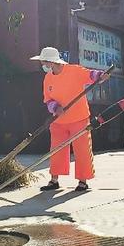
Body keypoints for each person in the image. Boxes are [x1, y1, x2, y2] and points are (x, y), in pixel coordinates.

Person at [30, 47, 106, 192]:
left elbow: (90, 75)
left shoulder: (74, 71)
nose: (42, 65)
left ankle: (82, 181)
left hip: (79, 118)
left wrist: (100, 75)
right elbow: (48, 100)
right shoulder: (48, 78)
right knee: (56, 151)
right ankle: (54, 180)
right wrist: (55, 108)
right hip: (58, 121)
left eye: (44, 62)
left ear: (51, 62)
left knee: (82, 150)